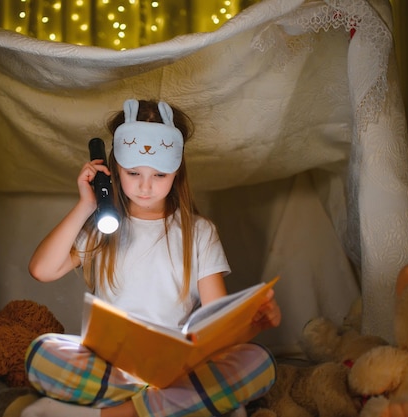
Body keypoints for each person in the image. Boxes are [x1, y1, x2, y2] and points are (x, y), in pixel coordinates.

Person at [22, 99, 282, 417]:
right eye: (133, 173)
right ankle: (165, 408)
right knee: (42, 352)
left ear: (176, 172)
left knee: (258, 363)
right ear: (115, 168)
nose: (145, 187)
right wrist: (87, 205)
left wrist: (253, 323)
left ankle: (124, 412)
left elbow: (217, 320)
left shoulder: (199, 232)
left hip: (175, 371)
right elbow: (42, 270)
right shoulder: (103, 226)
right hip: (111, 366)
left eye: (159, 175)